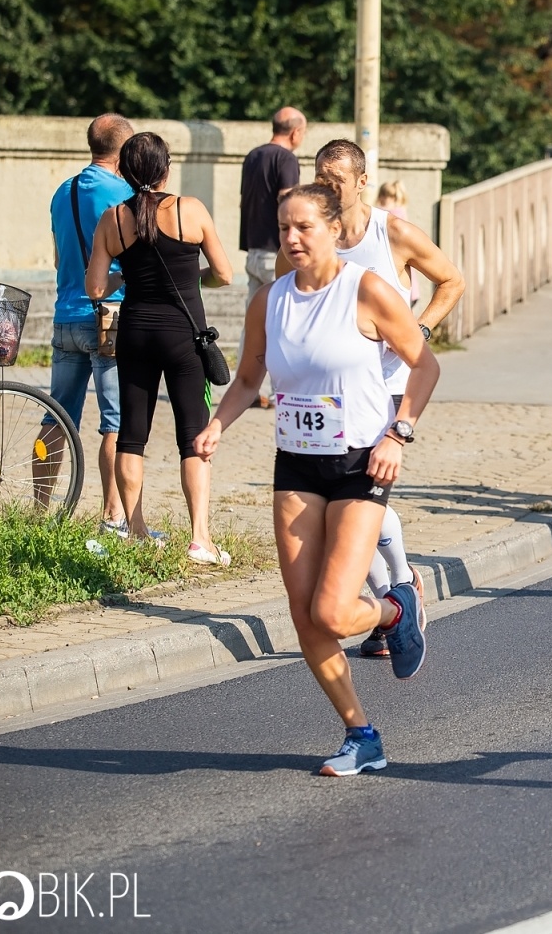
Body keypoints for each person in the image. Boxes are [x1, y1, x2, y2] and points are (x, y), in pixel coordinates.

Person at [194, 183, 438, 775]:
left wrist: (397, 434)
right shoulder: (269, 300)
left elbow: (425, 366)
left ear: (334, 229)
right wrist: (216, 425)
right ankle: (361, 733)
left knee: (333, 612)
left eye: (304, 227)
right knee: (305, 614)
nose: (292, 238)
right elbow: (251, 377)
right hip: (297, 464)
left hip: (362, 462)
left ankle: (395, 609)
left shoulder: (368, 291)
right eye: (283, 229)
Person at [301, 139, 465, 659]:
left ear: (361, 181)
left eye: (336, 178)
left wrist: (417, 330)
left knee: (361, 493)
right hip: (329, 390)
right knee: (338, 503)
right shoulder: (314, 235)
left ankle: (397, 590)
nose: (327, 186)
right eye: (320, 176)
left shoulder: (390, 232)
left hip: (389, 385)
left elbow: (452, 280)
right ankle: (399, 589)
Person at [88, 133, 234, 562]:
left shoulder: (113, 219)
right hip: (184, 336)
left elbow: (95, 286)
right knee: (193, 435)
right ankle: (200, 538)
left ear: (125, 171)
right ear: (166, 168)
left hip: (135, 333)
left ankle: (135, 529)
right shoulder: (190, 210)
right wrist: (193, 279)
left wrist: (127, 279)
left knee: (132, 435)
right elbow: (224, 274)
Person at [45, 113, 134, 533]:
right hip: (110, 317)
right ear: (124, 150)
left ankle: (39, 508)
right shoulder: (125, 195)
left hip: (65, 316)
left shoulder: (63, 191)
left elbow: (61, 259)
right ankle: (112, 514)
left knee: (55, 417)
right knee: (115, 420)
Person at [239, 107, 306, 406]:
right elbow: (289, 201)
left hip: (252, 249)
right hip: (274, 253)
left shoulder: (253, 156)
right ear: (295, 132)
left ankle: (248, 387)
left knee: (253, 323)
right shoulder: (286, 159)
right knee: (289, 320)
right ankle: (290, 388)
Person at [374, 180, 423, 305]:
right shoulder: (400, 212)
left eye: (388, 196)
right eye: (384, 195)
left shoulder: (387, 214)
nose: (385, 199)